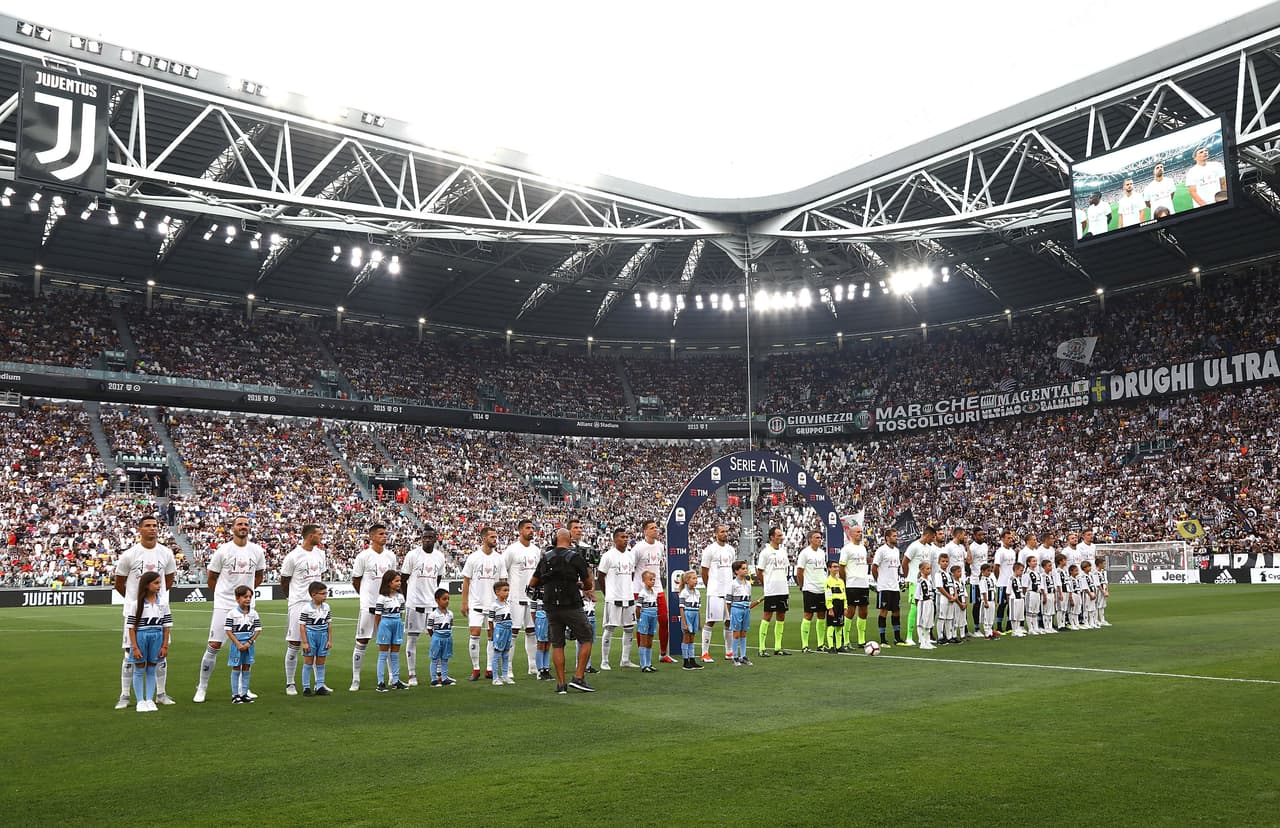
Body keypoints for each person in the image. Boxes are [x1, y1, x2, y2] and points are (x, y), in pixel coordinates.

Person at [195, 516, 265, 703]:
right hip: (224, 605)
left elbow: (259, 576)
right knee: (214, 645)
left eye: (246, 524)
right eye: (240, 524)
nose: (243, 527)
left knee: (245, 647)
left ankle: (243, 690)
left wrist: (246, 597)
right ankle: (201, 688)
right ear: (232, 528)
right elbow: (212, 577)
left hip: (247, 608)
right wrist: (222, 596)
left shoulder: (257, 550)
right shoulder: (223, 551)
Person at [113, 515, 177, 710]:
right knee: (130, 655)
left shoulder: (166, 553)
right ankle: (125, 695)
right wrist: (136, 601)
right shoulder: (129, 555)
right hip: (135, 612)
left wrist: (158, 600)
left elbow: (170, 578)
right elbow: (119, 583)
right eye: (148, 526)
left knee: (160, 654)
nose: (152, 529)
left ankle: (160, 694)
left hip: (158, 611)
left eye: (155, 526)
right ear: (139, 529)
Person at [527, 527, 596, 694]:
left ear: (554, 539)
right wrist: (579, 585)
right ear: (570, 539)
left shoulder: (546, 558)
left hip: (550, 606)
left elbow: (533, 583)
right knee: (586, 637)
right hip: (571, 604)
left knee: (557, 644)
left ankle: (561, 684)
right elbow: (588, 584)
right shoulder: (576, 557)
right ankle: (578, 677)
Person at [349, 523, 399, 692]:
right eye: (380, 534)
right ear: (371, 537)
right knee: (362, 641)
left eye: (385, 533)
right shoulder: (363, 556)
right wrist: (366, 598)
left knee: (389, 643)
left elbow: (392, 580)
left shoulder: (390, 556)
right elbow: (356, 580)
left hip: (386, 608)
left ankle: (393, 678)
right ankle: (355, 679)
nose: (384, 536)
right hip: (369, 606)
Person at [279, 523, 326, 696]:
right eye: (319, 534)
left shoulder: (321, 554)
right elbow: (284, 581)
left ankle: (318, 684)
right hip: (298, 603)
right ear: (310, 536)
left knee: (316, 643)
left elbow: (320, 579)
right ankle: (290, 683)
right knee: (294, 643)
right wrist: (292, 599)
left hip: (316, 604)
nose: (321, 537)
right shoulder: (293, 556)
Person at [461, 526, 508, 682]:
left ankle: (489, 668)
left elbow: (503, 581)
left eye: (496, 537)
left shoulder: (499, 558)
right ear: (484, 538)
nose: (495, 540)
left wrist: (503, 601)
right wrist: (464, 602)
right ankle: (475, 668)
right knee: (474, 634)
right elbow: (466, 580)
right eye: (492, 537)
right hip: (476, 604)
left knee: (492, 637)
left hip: (493, 605)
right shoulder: (473, 557)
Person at [402, 526, 446, 686]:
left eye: (430, 537)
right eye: (424, 537)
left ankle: (440, 674)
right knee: (412, 640)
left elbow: (438, 579)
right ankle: (412, 674)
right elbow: (403, 579)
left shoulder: (440, 557)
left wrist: (431, 595)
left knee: (439, 640)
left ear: (435, 538)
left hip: (432, 606)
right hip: (414, 606)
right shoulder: (412, 555)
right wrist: (409, 599)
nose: (427, 539)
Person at [126, 571, 172, 712]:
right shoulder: (136, 604)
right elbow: (131, 628)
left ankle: (150, 699)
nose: (159, 586)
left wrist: (164, 645)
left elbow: (166, 626)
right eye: (156, 583)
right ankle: (140, 701)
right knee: (139, 668)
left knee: (152, 668)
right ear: (146, 585)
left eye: (160, 582)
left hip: (157, 637)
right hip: (141, 636)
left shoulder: (163, 603)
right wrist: (134, 647)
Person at [502, 519, 542, 679]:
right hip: (515, 597)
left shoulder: (536, 550)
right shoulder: (512, 550)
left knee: (532, 632)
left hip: (532, 598)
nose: (531, 531)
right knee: (513, 632)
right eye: (527, 528)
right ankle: (508, 667)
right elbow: (502, 571)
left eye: (532, 528)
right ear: (520, 531)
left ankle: (532, 665)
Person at [631, 520, 673, 663]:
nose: (655, 530)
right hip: (640, 590)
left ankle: (663, 653)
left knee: (664, 620)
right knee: (642, 622)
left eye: (656, 527)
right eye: (652, 528)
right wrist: (635, 588)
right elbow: (632, 568)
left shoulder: (660, 546)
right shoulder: (638, 548)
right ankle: (642, 654)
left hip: (658, 589)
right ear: (645, 531)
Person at [597, 527, 637, 670]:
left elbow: (632, 575)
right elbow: (600, 576)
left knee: (629, 629)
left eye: (626, 537)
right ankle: (605, 661)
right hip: (613, 599)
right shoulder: (608, 556)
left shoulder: (631, 555)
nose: (625, 539)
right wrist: (607, 593)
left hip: (629, 597)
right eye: (622, 537)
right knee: (609, 628)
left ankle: (625, 660)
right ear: (615, 539)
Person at [700, 523, 735, 663]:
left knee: (728, 622)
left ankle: (729, 651)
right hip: (715, 591)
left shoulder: (731, 550)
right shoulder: (710, 550)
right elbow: (704, 571)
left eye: (726, 531)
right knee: (711, 621)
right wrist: (710, 587)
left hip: (728, 591)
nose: (725, 534)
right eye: (722, 532)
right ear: (716, 534)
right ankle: (704, 653)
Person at [755, 526, 792, 657]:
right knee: (767, 617)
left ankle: (778, 647)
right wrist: (767, 585)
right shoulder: (765, 552)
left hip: (783, 589)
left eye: (781, 535)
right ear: (772, 537)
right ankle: (762, 648)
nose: (781, 537)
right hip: (771, 590)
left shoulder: (783, 552)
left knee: (781, 616)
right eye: (779, 535)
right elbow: (759, 572)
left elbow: (785, 569)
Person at [900, 524, 937, 647]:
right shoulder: (914, 546)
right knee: (915, 608)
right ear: (927, 535)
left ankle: (925, 637)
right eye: (932, 537)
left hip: (926, 582)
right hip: (915, 582)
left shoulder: (929, 548)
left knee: (927, 609)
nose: (933, 539)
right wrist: (908, 577)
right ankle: (909, 637)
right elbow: (905, 563)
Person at [225, 584, 261, 704]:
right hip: (237, 645)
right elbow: (228, 630)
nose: (248, 599)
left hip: (249, 645)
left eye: (250, 597)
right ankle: (235, 695)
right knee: (236, 667)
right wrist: (238, 644)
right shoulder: (232, 613)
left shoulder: (254, 613)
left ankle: (244, 693)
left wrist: (250, 642)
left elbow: (258, 630)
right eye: (245, 596)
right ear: (237, 598)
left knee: (246, 667)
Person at [373, 570, 408, 691]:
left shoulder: (401, 597)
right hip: (385, 625)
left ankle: (395, 680)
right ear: (389, 582)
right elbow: (377, 616)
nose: (399, 583)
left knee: (395, 654)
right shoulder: (382, 598)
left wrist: (398, 624)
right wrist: (380, 629)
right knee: (383, 655)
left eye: (400, 581)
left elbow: (401, 613)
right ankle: (380, 682)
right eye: (396, 581)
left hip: (397, 623)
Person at [796, 529, 830, 653]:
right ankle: (805, 645)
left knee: (822, 615)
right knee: (808, 615)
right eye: (817, 538)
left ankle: (821, 644)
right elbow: (799, 571)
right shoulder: (804, 553)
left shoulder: (822, 553)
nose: (819, 540)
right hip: (810, 588)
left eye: (820, 537)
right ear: (810, 539)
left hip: (822, 588)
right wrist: (802, 586)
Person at [871, 527, 905, 647]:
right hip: (884, 587)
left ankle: (897, 638)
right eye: (894, 536)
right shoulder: (881, 550)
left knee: (896, 611)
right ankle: (883, 639)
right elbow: (874, 567)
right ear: (887, 538)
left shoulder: (896, 551)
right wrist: (879, 581)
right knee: (884, 611)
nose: (896, 537)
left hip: (895, 587)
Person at [839, 524, 871, 646]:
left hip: (863, 584)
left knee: (864, 611)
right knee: (850, 611)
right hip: (852, 584)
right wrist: (845, 581)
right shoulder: (847, 549)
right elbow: (841, 566)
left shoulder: (863, 548)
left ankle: (861, 639)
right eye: (857, 532)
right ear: (851, 534)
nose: (860, 533)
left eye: (861, 531)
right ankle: (845, 638)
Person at [299, 581, 332, 696]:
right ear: (314, 595)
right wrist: (305, 642)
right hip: (311, 635)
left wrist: (329, 640)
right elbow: (302, 626)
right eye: (322, 594)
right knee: (308, 662)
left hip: (323, 635)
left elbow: (329, 625)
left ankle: (320, 686)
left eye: (326, 593)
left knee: (321, 662)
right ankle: (306, 687)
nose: (325, 596)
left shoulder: (327, 607)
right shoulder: (306, 608)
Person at [726, 561, 758, 666]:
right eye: (743, 568)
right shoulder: (732, 584)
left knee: (744, 633)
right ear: (736, 571)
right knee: (736, 634)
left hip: (745, 610)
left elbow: (749, 598)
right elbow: (728, 601)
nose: (745, 570)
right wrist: (730, 614)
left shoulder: (748, 584)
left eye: (746, 568)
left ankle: (743, 656)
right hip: (736, 610)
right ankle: (734, 656)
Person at [427, 588, 457, 686]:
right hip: (437, 638)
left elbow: (450, 625)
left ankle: (444, 678)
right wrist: (434, 637)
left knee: (445, 659)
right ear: (437, 600)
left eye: (448, 599)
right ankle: (433, 679)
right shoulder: (433, 615)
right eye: (444, 599)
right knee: (435, 659)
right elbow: (429, 628)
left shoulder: (450, 614)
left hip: (447, 638)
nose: (447, 601)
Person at [488, 580, 515, 686]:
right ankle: (495, 677)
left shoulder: (507, 603)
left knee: (506, 653)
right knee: (497, 653)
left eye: (508, 590)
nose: (507, 592)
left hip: (508, 630)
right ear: (497, 592)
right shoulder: (494, 605)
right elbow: (490, 621)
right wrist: (492, 634)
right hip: (500, 630)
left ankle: (505, 675)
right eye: (505, 590)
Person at [635, 569, 661, 673]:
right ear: (644, 581)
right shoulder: (642, 593)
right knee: (644, 640)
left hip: (653, 616)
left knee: (650, 639)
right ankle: (643, 664)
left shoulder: (655, 592)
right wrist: (639, 619)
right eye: (650, 579)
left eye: (654, 579)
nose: (652, 581)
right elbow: (638, 608)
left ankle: (649, 663)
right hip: (645, 616)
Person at [992, 529, 1017, 633]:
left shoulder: (1012, 551)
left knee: (1011, 604)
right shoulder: (1000, 552)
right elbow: (996, 567)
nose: (1010, 540)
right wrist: (999, 578)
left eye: (1011, 538)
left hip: (1011, 582)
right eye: (1008, 538)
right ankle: (998, 626)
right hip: (1003, 583)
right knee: (1002, 605)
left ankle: (1008, 625)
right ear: (1002, 539)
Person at [678, 570, 703, 670]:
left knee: (692, 638)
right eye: (693, 578)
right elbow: (681, 609)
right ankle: (685, 661)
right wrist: (684, 622)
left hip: (695, 614)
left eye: (696, 578)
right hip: (687, 615)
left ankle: (692, 660)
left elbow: (698, 609)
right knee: (686, 637)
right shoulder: (684, 593)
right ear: (687, 581)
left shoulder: (697, 592)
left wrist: (699, 622)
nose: (696, 580)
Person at [822, 560, 847, 652]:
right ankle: (831, 646)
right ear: (829, 569)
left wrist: (845, 607)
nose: (837, 569)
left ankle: (839, 646)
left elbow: (844, 595)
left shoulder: (841, 581)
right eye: (834, 567)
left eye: (837, 567)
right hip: (833, 605)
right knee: (831, 626)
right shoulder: (828, 581)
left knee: (840, 626)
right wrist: (830, 608)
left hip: (840, 605)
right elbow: (828, 596)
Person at [913, 561, 936, 650]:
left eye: (930, 568)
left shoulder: (929, 580)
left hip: (930, 602)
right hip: (923, 602)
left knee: (929, 622)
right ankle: (922, 642)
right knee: (921, 622)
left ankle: (927, 641)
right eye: (927, 568)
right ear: (921, 570)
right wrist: (919, 605)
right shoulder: (920, 581)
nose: (929, 570)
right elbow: (917, 596)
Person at [977, 563, 997, 639]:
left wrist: (995, 601)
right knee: (986, 618)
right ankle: (987, 634)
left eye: (990, 571)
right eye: (987, 571)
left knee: (991, 618)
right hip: (987, 601)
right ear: (983, 571)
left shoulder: (991, 579)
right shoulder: (983, 580)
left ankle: (991, 632)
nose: (989, 572)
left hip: (992, 601)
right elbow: (984, 592)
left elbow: (994, 591)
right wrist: (985, 602)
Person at [1025, 556, 1043, 635]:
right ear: (1028, 563)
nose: (1035, 563)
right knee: (1030, 611)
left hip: (1037, 593)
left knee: (1035, 611)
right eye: (1033, 561)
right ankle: (1030, 628)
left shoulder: (1037, 573)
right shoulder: (1027, 573)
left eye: (1036, 561)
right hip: (1031, 593)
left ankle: (1036, 627)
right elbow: (1025, 585)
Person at [1008, 561, 1028, 637]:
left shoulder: (1018, 579)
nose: (1022, 572)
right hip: (1014, 599)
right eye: (1021, 570)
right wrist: (1009, 599)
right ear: (1016, 570)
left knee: (1019, 615)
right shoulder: (1011, 579)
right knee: (1014, 615)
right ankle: (1014, 630)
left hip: (1020, 598)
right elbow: (1008, 590)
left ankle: (1018, 629)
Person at [1095, 555, 1112, 627]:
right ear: (1099, 564)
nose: (1104, 565)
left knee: (1102, 605)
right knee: (1096, 605)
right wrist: (1103, 592)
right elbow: (1097, 584)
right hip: (1098, 591)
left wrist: (1107, 590)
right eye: (1103, 564)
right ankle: (1095, 620)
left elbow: (1106, 581)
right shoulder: (1095, 572)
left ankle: (1102, 620)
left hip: (1103, 590)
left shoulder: (1103, 572)